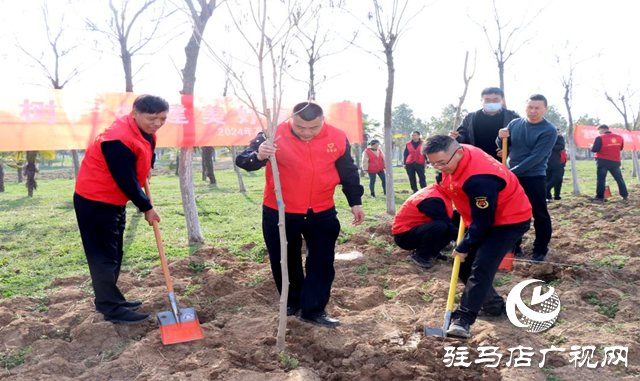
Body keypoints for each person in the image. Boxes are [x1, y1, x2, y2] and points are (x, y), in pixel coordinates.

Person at [236, 102, 365, 328]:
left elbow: (348, 171)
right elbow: (244, 160)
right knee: (284, 259)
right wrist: (259, 154)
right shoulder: (272, 133)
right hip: (280, 210)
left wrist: (355, 201)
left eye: (313, 128)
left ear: (323, 120)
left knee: (322, 261)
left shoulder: (337, 136)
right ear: (291, 120)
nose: (306, 132)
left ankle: (314, 310)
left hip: (322, 210)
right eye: (299, 127)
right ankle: (292, 302)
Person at [423, 135, 532, 339]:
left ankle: (463, 319)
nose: (439, 167)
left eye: (442, 163)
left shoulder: (480, 179)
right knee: (462, 263)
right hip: (480, 217)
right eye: (433, 164)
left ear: (460, 153)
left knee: (482, 264)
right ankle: (493, 305)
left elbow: (484, 222)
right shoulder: (457, 151)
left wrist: (464, 245)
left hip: (509, 220)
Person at [74, 95, 167, 325]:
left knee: (114, 254)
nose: (157, 123)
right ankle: (111, 308)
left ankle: (110, 299)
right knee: (103, 258)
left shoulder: (143, 130)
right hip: (95, 201)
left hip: (114, 200)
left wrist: (148, 167)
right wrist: (146, 207)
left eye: (163, 119)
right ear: (134, 113)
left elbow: (147, 149)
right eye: (152, 118)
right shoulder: (117, 139)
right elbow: (125, 180)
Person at [497, 94, 556, 263]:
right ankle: (514, 246)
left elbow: (536, 157)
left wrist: (511, 173)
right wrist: (500, 136)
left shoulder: (548, 130)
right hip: (513, 176)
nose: (533, 111)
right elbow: (502, 145)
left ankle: (540, 250)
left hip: (533, 176)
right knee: (511, 213)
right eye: (530, 107)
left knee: (539, 214)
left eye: (537, 108)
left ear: (545, 109)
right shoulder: (515, 123)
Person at [392, 172, 458, 269]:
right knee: (441, 225)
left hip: (418, 229)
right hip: (404, 236)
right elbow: (446, 222)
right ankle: (420, 256)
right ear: (442, 183)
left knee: (456, 216)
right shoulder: (432, 199)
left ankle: (433, 252)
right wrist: (464, 243)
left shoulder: (441, 192)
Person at [450, 87, 520, 161]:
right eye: (487, 99)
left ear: (502, 100)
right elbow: (463, 136)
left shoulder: (513, 117)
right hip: (476, 160)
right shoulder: (471, 118)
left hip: (502, 162)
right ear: (481, 100)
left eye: (496, 99)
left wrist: (509, 151)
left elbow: (521, 140)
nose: (491, 102)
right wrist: (456, 137)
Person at [591, 124, 628, 203]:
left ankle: (600, 197)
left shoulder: (600, 138)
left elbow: (594, 149)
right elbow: (620, 148)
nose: (599, 132)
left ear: (602, 130)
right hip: (615, 161)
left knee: (601, 179)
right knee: (619, 179)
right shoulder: (619, 137)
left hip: (603, 161)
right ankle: (624, 195)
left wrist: (591, 146)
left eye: (599, 131)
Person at [546, 128, 566, 202]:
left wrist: (549, 146)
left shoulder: (559, 138)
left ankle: (556, 195)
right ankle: (548, 196)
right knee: (548, 178)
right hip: (546, 162)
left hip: (557, 162)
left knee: (557, 178)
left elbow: (561, 147)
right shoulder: (545, 137)